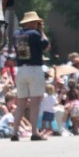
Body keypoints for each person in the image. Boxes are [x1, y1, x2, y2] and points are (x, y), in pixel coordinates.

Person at [10, 11, 50, 141]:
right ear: (33, 23)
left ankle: (14, 132)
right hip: (35, 69)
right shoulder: (35, 34)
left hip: (20, 70)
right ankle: (34, 132)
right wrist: (41, 31)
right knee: (35, 103)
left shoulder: (16, 34)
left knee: (20, 103)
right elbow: (46, 46)